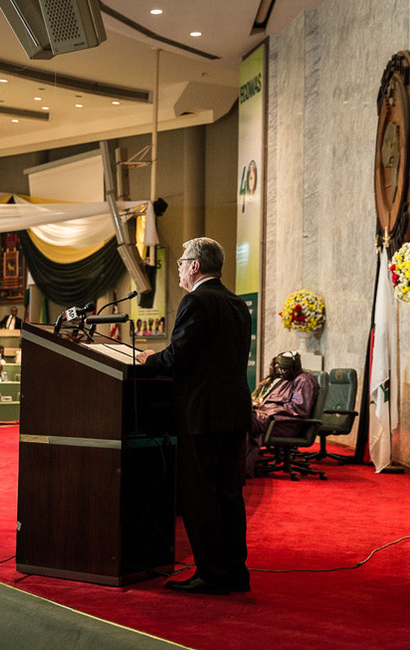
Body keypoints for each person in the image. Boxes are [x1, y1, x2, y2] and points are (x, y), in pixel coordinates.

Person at [135, 237, 252, 595]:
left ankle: (212, 574)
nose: (180, 269)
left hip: (202, 416)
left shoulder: (196, 300)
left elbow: (178, 358)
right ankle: (234, 571)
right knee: (229, 494)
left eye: (182, 262)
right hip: (233, 414)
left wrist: (149, 360)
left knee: (200, 495)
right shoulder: (237, 304)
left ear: (195, 266)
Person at [247, 351, 319, 476]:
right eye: (280, 368)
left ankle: (240, 469)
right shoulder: (285, 379)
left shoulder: (304, 380)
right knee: (239, 417)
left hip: (284, 423)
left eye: (284, 369)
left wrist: (266, 411)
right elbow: (271, 402)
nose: (281, 372)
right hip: (270, 419)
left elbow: (298, 409)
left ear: (295, 367)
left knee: (243, 421)